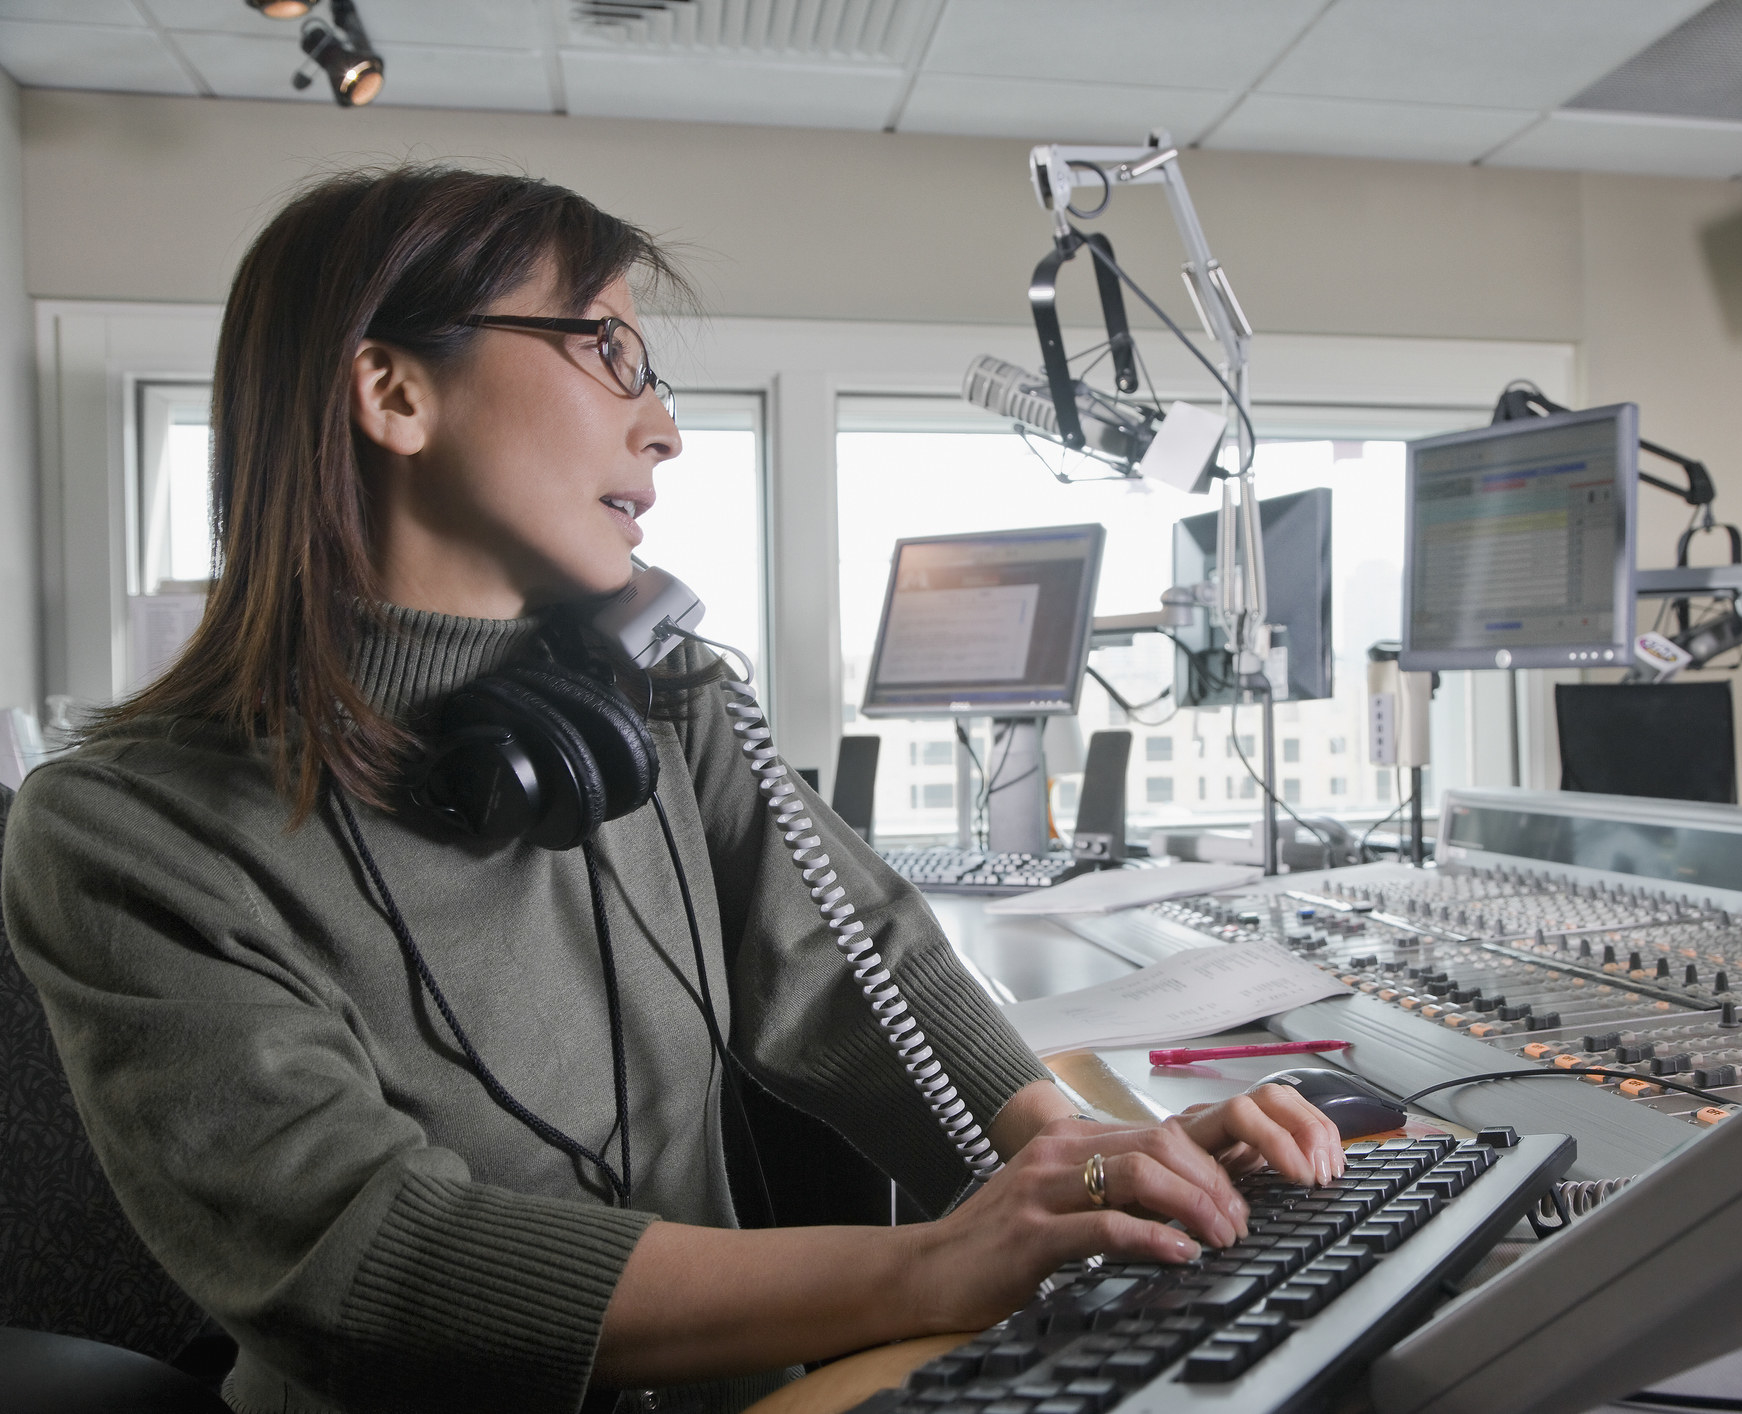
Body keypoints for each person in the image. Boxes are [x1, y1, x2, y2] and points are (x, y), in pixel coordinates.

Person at [0, 167, 1343, 1414]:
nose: (665, 427)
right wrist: (932, 1266)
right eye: (605, 350)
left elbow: (847, 960)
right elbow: (364, 1253)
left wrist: (1090, 1156)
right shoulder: (125, 829)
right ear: (392, 391)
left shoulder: (654, 700)